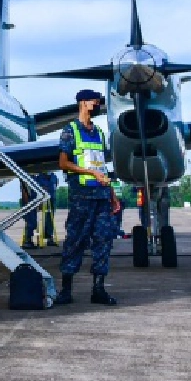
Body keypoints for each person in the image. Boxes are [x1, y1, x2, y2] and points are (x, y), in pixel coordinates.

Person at [56, 89, 119, 306]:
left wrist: (112, 193)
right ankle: (66, 290)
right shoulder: (70, 130)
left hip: (102, 197)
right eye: (95, 101)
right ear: (83, 103)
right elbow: (63, 163)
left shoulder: (99, 133)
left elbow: (102, 165)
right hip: (81, 197)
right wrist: (90, 173)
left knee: (103, 241)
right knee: (75, 241)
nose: (99, 104)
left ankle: (98, 289)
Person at [21, 171, 58, 248]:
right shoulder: (31, 176)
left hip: (48, 197)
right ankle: (28, 239)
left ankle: (49, 236)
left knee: (50, 213)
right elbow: (25, 194)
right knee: (31, 217)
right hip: (33, 198)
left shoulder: (53, 177)